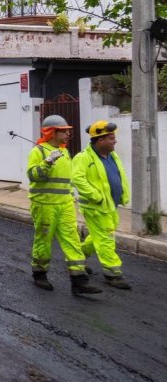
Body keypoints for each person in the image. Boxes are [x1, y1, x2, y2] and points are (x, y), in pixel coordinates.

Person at [26, 115, 100, 294]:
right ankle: (40, 274)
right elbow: (32, 175)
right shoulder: (39, 151)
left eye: (68, 131)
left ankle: (79, 280)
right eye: (64, 131)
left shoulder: (64, 151)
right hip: (44, 205)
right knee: (43, 240)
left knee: (72, 240)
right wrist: (47, 162)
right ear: (52, 132)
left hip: (66, 204)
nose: (68, 134)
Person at [72, 121, 132, 290]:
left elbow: (118, 176)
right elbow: (77, 179)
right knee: (106, 238)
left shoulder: (113, 155)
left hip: (111, 204)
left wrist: (123, 195)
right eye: (111, 138)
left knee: (99, 235)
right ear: (100, 140)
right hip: (95, 206)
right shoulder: (83, 158)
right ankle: (113, 273)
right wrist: (95, 196)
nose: (115, 141)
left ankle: (79, 256)